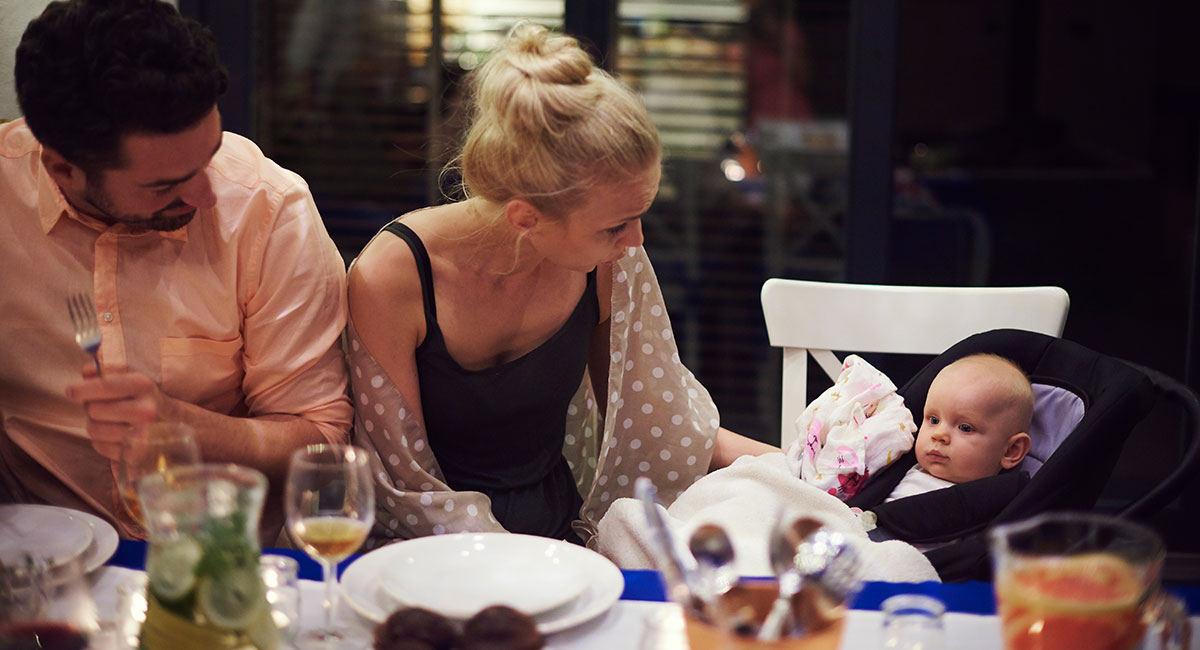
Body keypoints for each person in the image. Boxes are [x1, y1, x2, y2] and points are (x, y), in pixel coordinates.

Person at [347, 22, 777, 546]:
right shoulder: (393, 277)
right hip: (432, 556)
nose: (636, 240)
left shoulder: (608, 259)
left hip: (567, 539)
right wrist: (521, 563)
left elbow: (665, 428)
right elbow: (401, 487)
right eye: (616, 224)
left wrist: (798, 469)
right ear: (527, 218)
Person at [0, 0, 353, 538]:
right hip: (40, 565)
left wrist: (184, 426)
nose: (207, 195)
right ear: (62, 168)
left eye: (209, 154)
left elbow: (321, 437)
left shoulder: (268, 209)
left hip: (221, 562)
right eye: (164, 186)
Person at [885, 353, 1033, 501]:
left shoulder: (980, 506)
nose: (939, 434)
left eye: (965, 428)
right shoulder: (902, 463)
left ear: (1010, 451)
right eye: (934, 420)